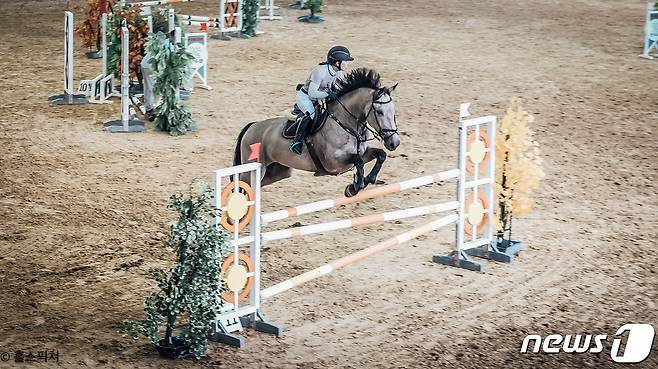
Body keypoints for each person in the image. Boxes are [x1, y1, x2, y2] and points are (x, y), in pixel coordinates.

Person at [289, 45, 354, 155]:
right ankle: (297, 141)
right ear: (337, 62)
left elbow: (342, 87)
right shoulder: (320, 71)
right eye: (345, 61)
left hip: (320, 98)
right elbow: (312, 93)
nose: (347, 64)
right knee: (311, 115)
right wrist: (328, 94)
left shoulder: (338, 72)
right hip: (306, 98)